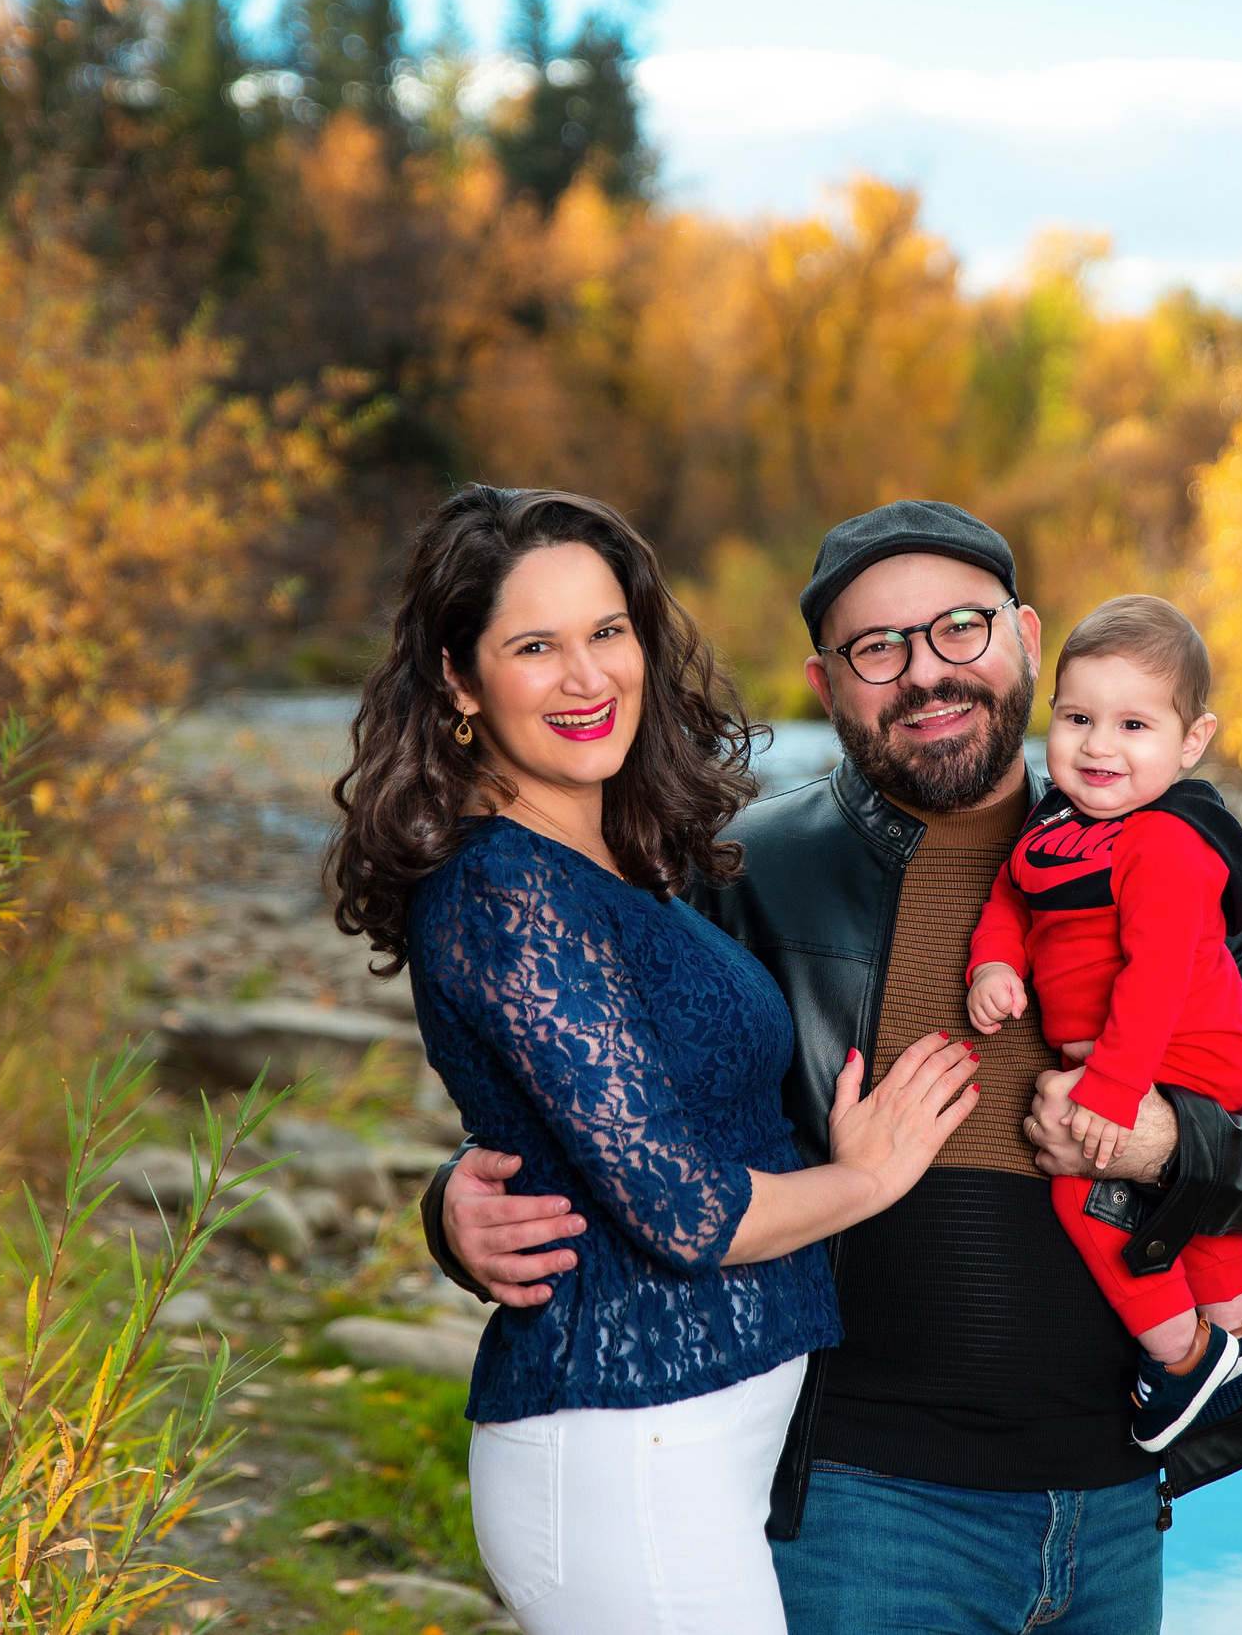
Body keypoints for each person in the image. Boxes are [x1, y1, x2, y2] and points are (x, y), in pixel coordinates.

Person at [426, 500, 1242, 1634]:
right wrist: (456, 1207)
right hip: (864, 1511)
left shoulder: (1172, 855)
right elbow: (593, 1074)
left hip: (1114, 1496)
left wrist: (1165, 1138)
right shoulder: (744, 868)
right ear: (827, 686)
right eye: (878, 648)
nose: (926, 673)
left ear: (1024, 635)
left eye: (959, 628)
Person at [330, 487, 982, 1635]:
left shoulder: (620, 857)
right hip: (622, 1449)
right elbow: (682, 1209)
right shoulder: (502, 889)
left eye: (606, 630)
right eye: (535, 645)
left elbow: (597, 1111)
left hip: (693, 1440)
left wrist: (453, 1198)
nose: (588, 678)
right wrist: (870, 1176)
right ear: (458, 680)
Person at [966, 594, 1242, 1456]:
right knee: (1205, 1218)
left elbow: (1156, 979)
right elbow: (1010, 895)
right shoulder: (1053, 828)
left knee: (1085, 1186)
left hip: (1194, 1049)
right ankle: (1237, 1338)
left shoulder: (1168, 843)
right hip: (1141, 1057)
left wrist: (1109, 1092)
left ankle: (1181, 1357)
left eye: (1134, 724)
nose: (1099, 745)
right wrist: (995, 963)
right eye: (1078, 718)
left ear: (1191, 741)